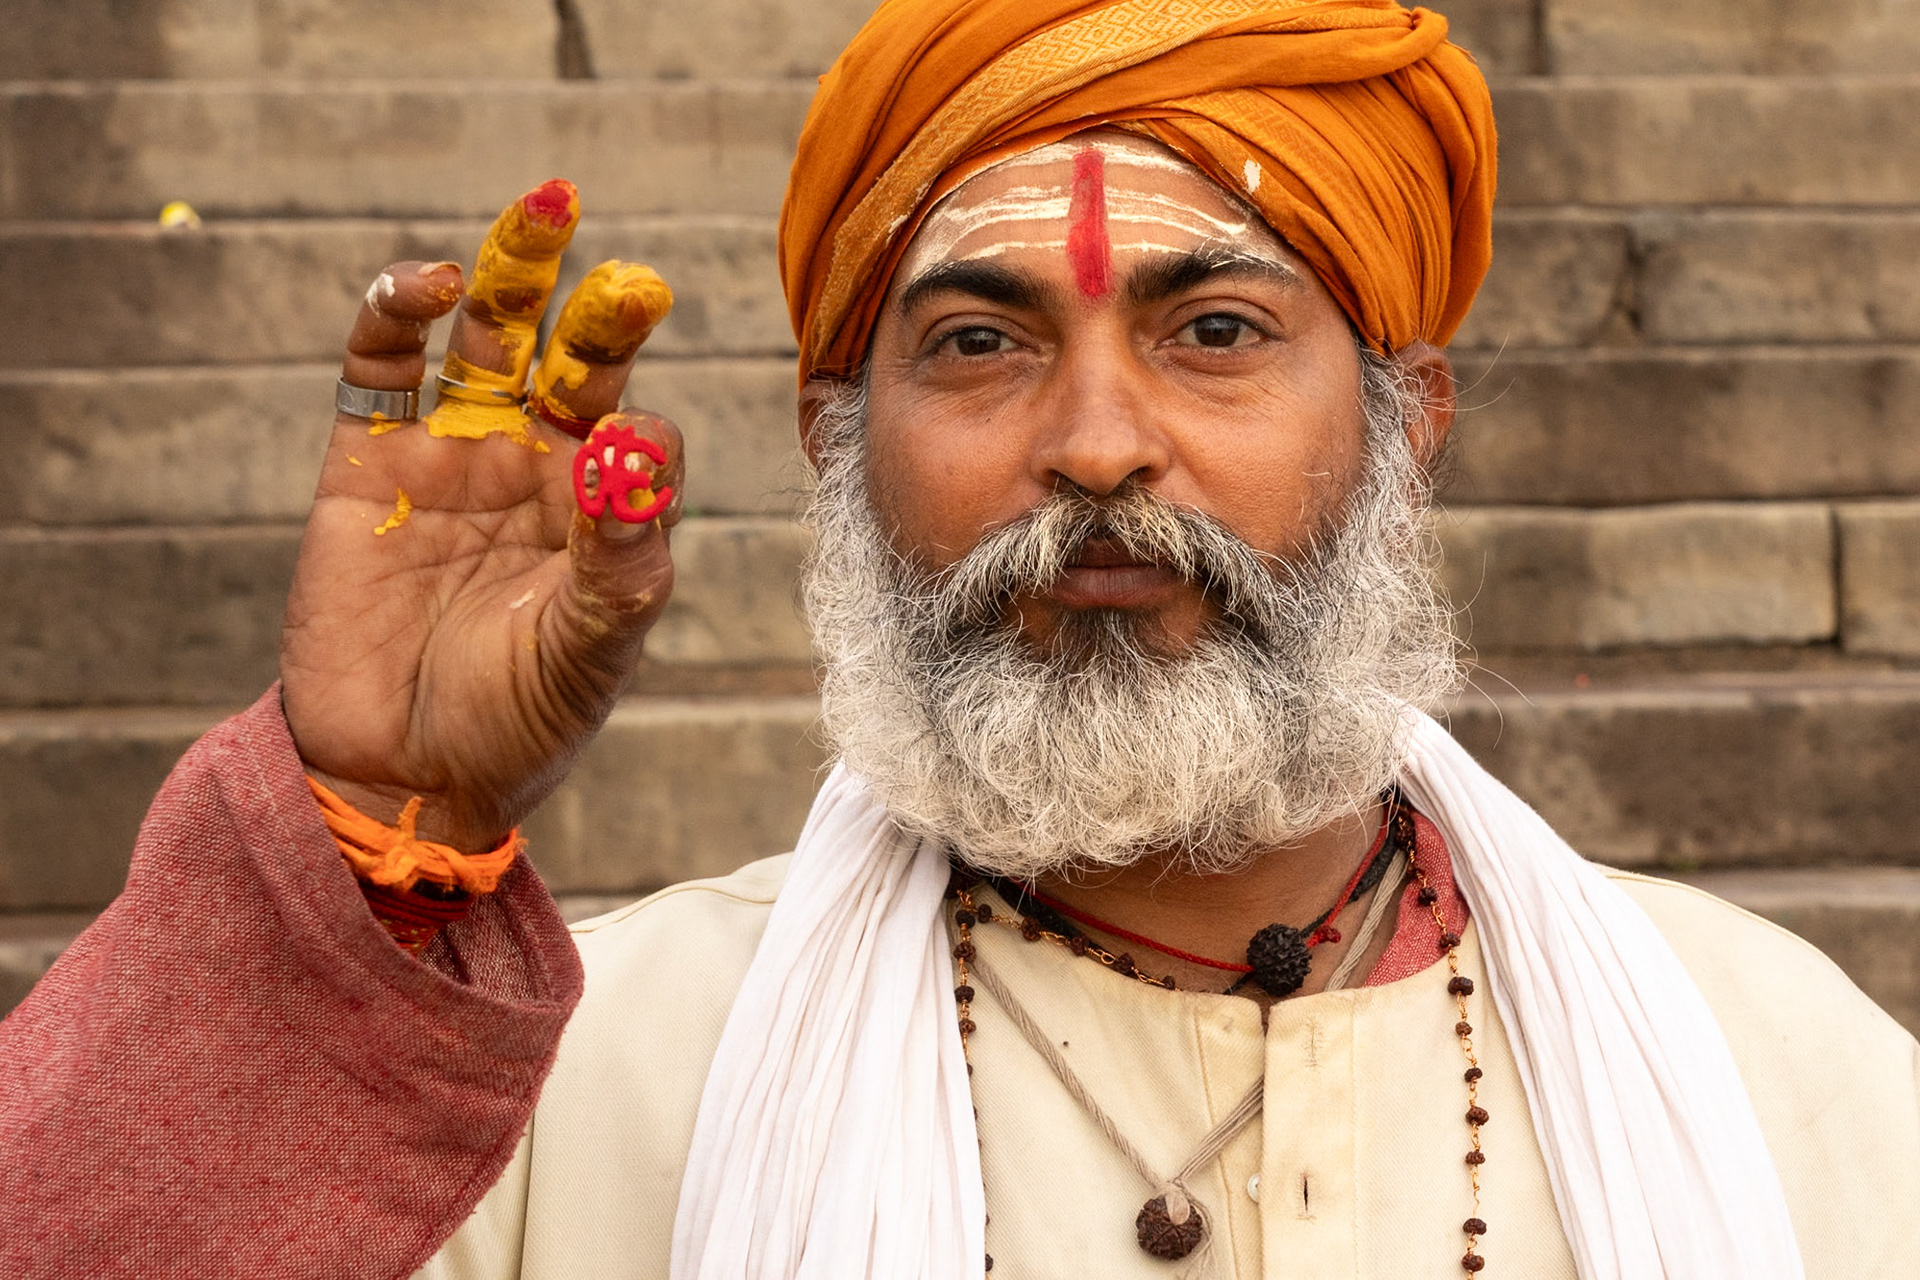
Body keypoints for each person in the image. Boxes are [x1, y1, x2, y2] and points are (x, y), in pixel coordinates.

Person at [3, 1, 1916, 1277]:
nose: (1095, 445)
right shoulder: (580, 1077)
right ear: (837, 445)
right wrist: (358, 839)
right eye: (980, 344)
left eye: (1218, 333)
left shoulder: (1783, 1071)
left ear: (1408, 422)